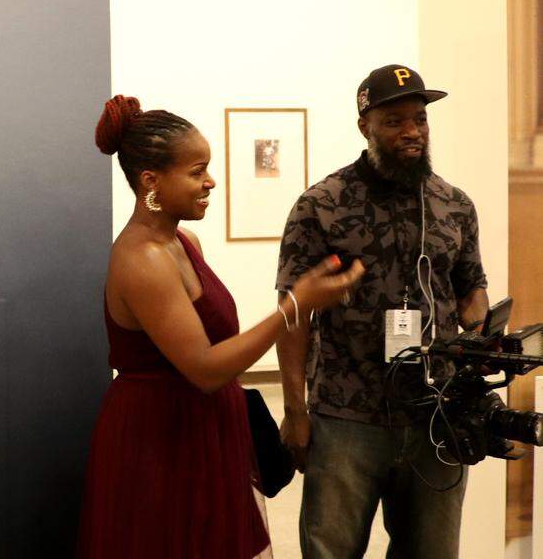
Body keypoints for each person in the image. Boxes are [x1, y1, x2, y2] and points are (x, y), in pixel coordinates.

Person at [76, 95, 364, 559]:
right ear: (150, 181)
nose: (210, 181)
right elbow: (205, 369)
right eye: (197, 171)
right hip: (159, 439)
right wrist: (295, 306)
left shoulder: (184, 242)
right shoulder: (141, 259)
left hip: (202, 431)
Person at [275, 64, 490, 559]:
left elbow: (471, 290)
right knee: (331, 551)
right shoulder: (321, 205)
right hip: (346, 415)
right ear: (364, 126)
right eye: (394, 121)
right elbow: (292, 313)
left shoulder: (454, 205)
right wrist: (294, 411)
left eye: (420, 118)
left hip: (435, 413)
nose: (412, 131)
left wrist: (481, 339)